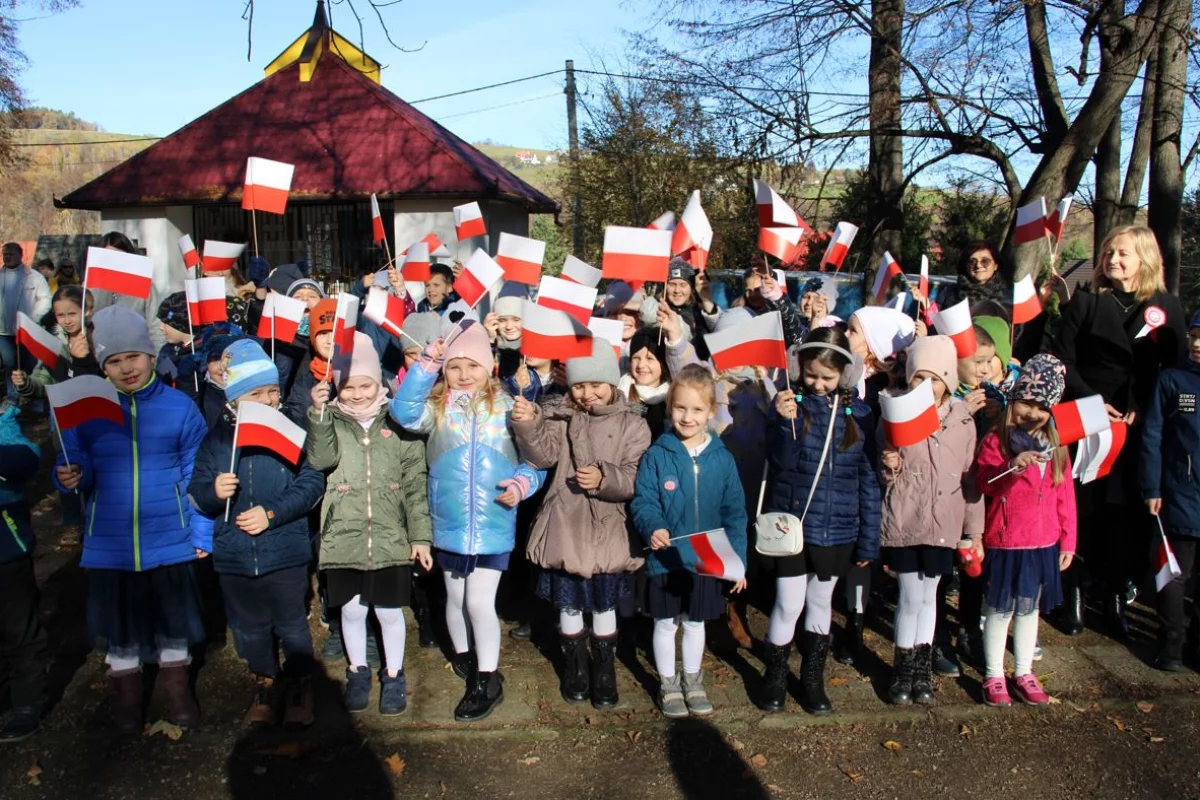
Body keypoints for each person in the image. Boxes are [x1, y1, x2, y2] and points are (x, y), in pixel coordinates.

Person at [54, 305, 208, 734]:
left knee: (173, 623)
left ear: (150, 355)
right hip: (111, 541)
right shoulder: (86, 410)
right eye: (114, 361)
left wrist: (200, 532)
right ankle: (126, 694)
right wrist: (69, 475)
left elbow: (196, 474)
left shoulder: (180, 408)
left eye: (133, 357)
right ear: (103, 365)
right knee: (120, 627)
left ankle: (177, 688)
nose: (126, 368)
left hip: (169, 535)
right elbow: (75, 463)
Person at [389, 318, 545, 722]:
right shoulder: (437, 410)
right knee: (455, 599)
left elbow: (536, 462)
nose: (463, 374)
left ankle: (487, 679)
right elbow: (403, 412)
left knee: (479, 601)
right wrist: (425, 364)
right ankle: (462, 653)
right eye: (455, 366)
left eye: (472, 365)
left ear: (491, 366)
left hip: (493, 523)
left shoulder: (510, 408)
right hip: (449, 523)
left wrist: (520, 484)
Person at [1049, 225, 1187, 637]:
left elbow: (1175, 368)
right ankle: (1070, 593)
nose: (1112, 261)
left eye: (1122, 254)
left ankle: (1113, 600)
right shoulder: (1087, 304)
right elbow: (1061, 360)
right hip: (1089, 421)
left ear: (1144, 258)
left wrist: (1147, 409)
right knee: (1082, 510)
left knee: (1123, 518)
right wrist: (1091, 399)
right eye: (1108, 253)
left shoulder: (1166, 308)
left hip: (1140, 427)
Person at [189, 339, 325, 728]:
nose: (267, 400)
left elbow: (311, 483)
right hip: (234, 553)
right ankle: (265, 681)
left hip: (284, 549)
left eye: (272, 391)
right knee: (249, 628)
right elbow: (197, 491)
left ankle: (301, 685)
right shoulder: (217, 440)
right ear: (234, 399)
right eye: (255, 393)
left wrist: (272, 513)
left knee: (291, 623)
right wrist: (213, 492)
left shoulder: (291, 428)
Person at [511, 338, 651, 709]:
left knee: (604, 607)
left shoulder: (634, 425)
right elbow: (542, 455)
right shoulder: (559, 417)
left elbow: (637, 475)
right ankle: (574, 666)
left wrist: (606, 479)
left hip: (608, 528)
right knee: (569, 605)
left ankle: (604, 669)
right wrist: (528, 425)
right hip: (566, 526)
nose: (587, 393)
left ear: (611, 384)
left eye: (595, 384)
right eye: (579, 385)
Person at [307, 333, 432, 714]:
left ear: (380, 384)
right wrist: (318, 415)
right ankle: (358, 670)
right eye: (348, 387)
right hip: (344, 533)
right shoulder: (331, 420)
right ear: (335, 387)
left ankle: (393, 675)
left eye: (366, 386)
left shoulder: (398, 423)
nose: (358, 395)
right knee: (351, 610)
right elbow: (320, 460)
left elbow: (414, 485)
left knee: (390, 612)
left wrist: (421, 538)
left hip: (390, 535)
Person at [758, 328, 880, 715]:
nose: (818, 383)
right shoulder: (792, 407)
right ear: (800, 368)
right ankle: (775, 675)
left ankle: (812, 676)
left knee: (820, 603)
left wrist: (868, 539)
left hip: (839, 528)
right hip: (794, 527)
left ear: (844, 374)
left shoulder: (859, 415)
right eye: (811, 374)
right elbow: (780, 464)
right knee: (787, 603)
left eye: (827, 378)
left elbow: (867, 479)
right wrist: (781, 423)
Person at [630, 364, 747, 718]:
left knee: (695, 623)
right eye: (680, 408)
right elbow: (644, 500)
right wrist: (652, 525)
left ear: (711, 412)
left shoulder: (722, 460)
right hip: (666, 558)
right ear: (669, 409)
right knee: (665, 623)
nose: (688, 416)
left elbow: (735, 514)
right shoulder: (657, 454)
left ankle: (693, 680)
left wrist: (738, 562)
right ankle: (668, 683)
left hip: (707, 560)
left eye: (697, 409)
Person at [878, 336, 982, 705]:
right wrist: (890, 466)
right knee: (909, 596)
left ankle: (922, 669)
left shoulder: (962, 421)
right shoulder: (895, 412)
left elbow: (971, 478)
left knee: (930, 596)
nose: (926, 386)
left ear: (948, 380)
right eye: (918, 378)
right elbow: (884, 471)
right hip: (907, 520)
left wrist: (973, 532)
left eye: (935, 378)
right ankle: (902, 668)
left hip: (944, 524)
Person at [975, 354, 1076, 706]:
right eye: (1026, 403)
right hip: (1006, 541)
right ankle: (993, 674)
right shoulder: (996, 441)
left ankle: (1023, 671)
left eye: (1041, 407)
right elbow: (985, 483)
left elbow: (1066, 496)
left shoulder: (1057, 447)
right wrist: (1012, 466)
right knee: (999, 610)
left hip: (1043, 542)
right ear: (1013, 400)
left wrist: (1069, 540)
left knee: (1029, 609)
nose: (1032, 413)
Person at [11, 285, 100, 538]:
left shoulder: (98, 339)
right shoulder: (53, 344)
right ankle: (74, 519)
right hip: (62, 420)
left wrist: (84, 359)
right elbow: (42, 382)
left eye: (72, 313)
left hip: (96, 418)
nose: (67, 320)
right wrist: (26, 384)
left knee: (96, 466)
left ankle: (97, 517)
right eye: (61, 315)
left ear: (87, 310)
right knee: (67, 465)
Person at [1140, 310, 1200, 671]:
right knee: (1175, 575)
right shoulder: (1172, 381)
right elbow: (1153, 436)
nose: (1197, 343)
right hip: (1180, 494)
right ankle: (1172, 646)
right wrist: (1151, 486)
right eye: (1194, 335)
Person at [0, 402, 48, 742]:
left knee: (19, 629)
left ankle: (27, 703)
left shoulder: (5, 425)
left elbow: (26, 460)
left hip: (6, 550)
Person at [0, 242, 52, 387]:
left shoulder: (34, 277)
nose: (8, 257)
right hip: (4, 332)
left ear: (20, 255)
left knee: (29, 365)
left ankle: (31, 395)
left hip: (28, 331)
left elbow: (45, 299)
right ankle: (12, 399)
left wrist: (33, 318)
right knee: (10, 364)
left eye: (11, 253)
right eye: (5, 254)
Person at [283, 298, 337, 424]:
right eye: (323, 333)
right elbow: (296, 423)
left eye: (335, 332)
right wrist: (316, 410)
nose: (330, 340)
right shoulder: (303, 381)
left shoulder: (360, 374)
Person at [620, 326, 672, 439]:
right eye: (636, 358)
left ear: (662, 364)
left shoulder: (672, 396)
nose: (641, 365)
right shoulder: (621, 392)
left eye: (650, 358)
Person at [939, 242, 1011, 312]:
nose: (978, 266)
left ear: (995, 265)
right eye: (972, 261)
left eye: (985, 261)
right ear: (966, 266)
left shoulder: (1007, 298)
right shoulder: (949, 292)